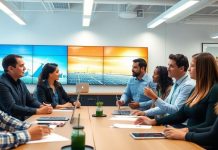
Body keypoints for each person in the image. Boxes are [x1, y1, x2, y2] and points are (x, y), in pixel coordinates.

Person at [134, 53, 218, 133]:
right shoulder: (193, 88)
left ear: (203, 69)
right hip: (185, 130)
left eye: (192, 66)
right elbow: (181, 114)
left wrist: (184, 131)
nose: (189, 69)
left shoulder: (192, 86)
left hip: (189, 131)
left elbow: (209, 125)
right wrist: (153, 120)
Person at [0, 54, 53, 121]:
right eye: (21, 66)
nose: (25, 68)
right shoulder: (1, 84)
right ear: (10, 68)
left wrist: (41, 106)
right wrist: (38, 111)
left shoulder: (20, 82)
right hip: (7, 127)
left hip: (20, 122)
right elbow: (12, 108)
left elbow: (30, 100)